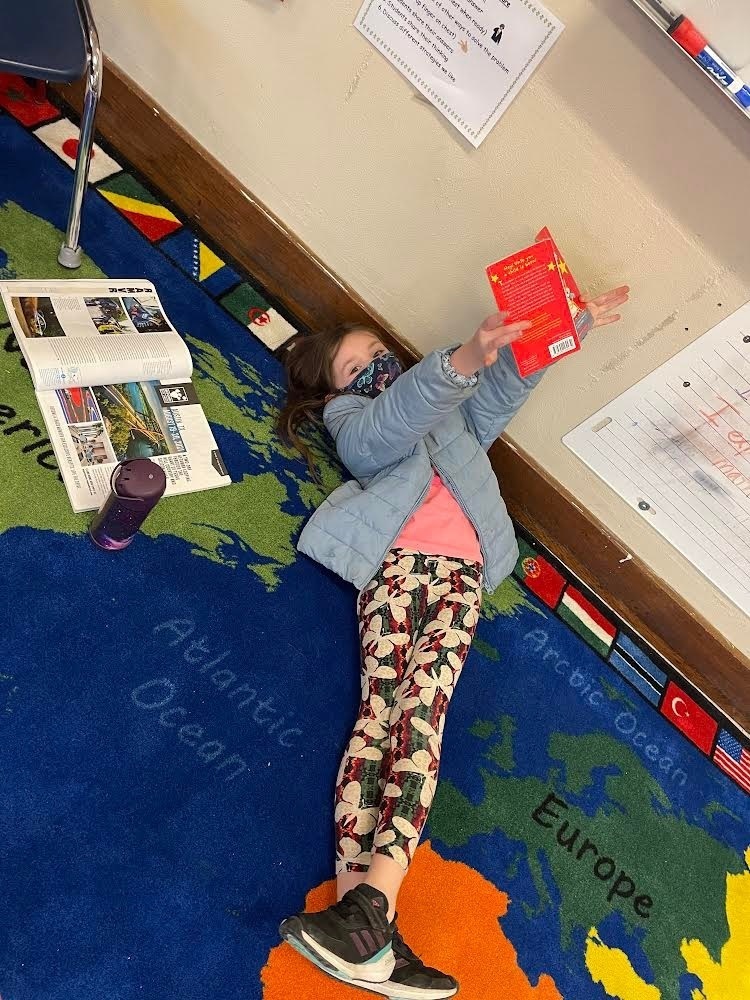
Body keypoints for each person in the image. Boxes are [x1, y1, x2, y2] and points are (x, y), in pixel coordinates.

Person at [276, 286, 629, 999]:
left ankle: (363, 924)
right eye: (356, 367)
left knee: (421, 716)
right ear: (334, 393)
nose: (376, 367)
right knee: (387, 718)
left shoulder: (451, 414)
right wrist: (461, 358)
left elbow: (499, 393)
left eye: (379, 353)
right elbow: (388, 427)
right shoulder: (353, 421)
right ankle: (370, 916)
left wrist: (567, 324)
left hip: (463, 579)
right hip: (399, 571)